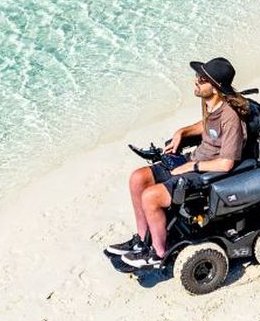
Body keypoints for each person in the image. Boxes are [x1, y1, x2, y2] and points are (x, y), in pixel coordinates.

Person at [105, 57, 248, 270]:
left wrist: (191, 167)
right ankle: (143, 240)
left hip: (207, 173)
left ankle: (157, 253)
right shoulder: (211, 104)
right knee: (138, 178)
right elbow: (207, 125)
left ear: (216, 88)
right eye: (198, 77)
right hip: (195, 161)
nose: (196, 82)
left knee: (150, 197)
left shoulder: (230, 117)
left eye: (201, 79)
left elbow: (226, 164)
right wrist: (183, 132)